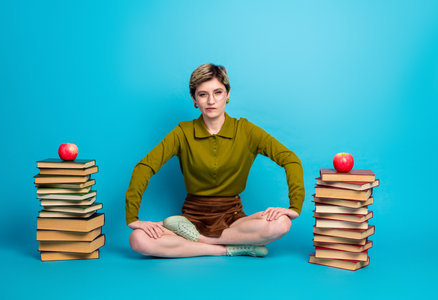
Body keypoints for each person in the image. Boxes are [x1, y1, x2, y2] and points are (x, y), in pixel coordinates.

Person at [126, 63, 305, 258]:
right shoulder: (183, 132)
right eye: (203, 94)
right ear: (194, 99)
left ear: (228, 94)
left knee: (282, 224)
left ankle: (205, 241)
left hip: (233, 219)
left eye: (218, 92)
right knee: (138, 239)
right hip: (190, 219)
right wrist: (132, 217)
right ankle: (226, 249)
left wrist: (294, 207)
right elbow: (145, 166)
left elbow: (291, 160)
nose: (211, 100)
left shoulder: (245, 130)